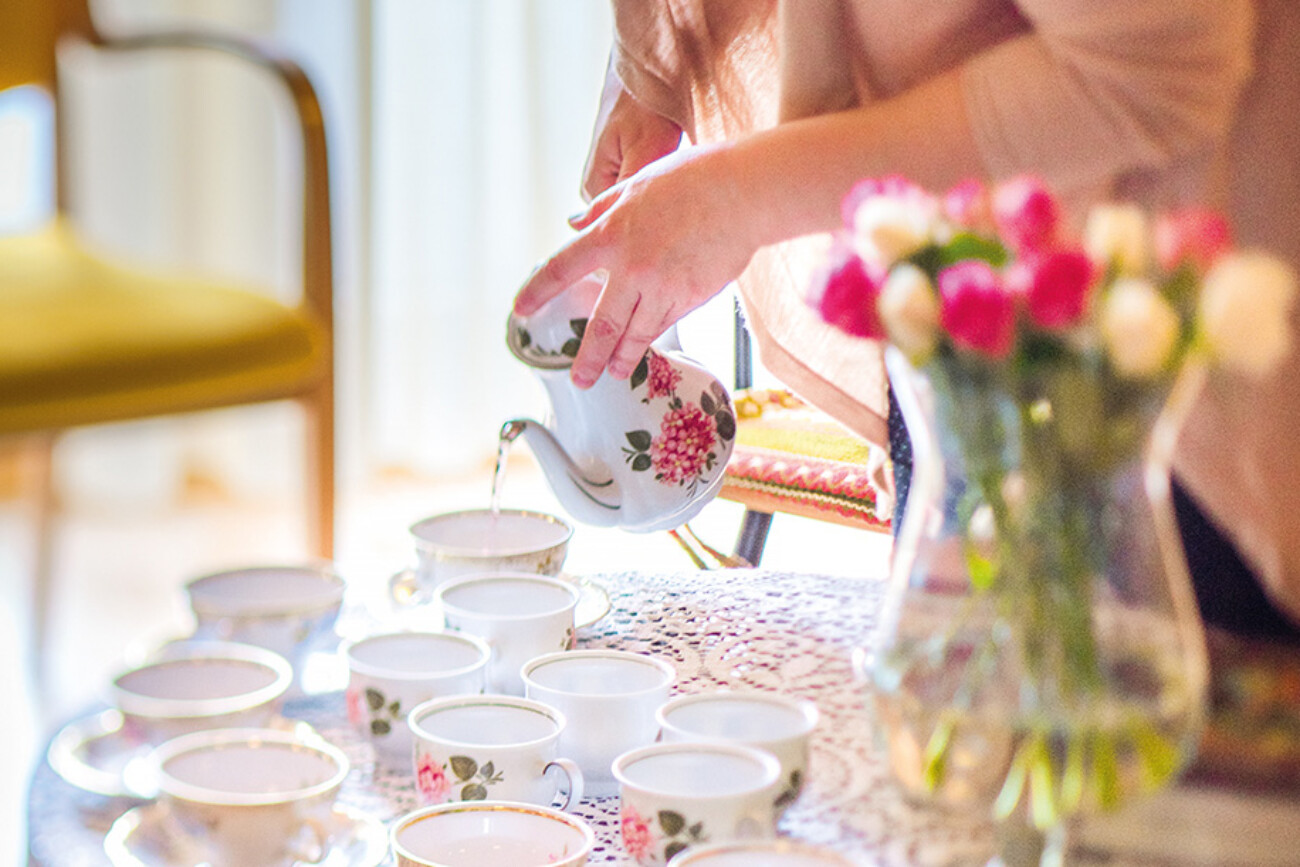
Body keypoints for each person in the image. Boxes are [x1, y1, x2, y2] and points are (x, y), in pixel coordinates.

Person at [513, 0, 1300, 639]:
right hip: (951, 285)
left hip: (1152, 333)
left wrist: (737, 197)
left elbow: (1155, 66)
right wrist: (654, 57)